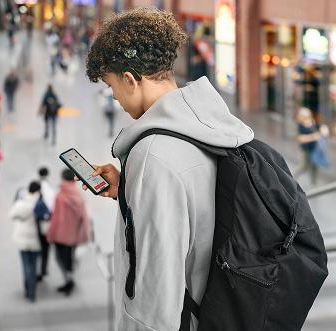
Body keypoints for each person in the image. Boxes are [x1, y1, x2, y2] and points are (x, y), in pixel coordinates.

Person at [84, 8, 253, 329]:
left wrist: (148, 181)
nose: (115, 97)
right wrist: (130, 190)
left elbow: (154, 298)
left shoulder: (154, 157)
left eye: (111, 85)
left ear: (131, 80)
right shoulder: (202, 122)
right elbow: (194, 199)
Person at [47, 169, 91, 296]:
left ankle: (68, 281)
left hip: (61, 236)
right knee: (69, 258)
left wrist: (50, 235)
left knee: (60, 258)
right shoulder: (79, 196)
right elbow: (84, 217)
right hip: (74, 236)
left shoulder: (60, 196)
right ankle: (70, 280)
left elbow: (56, 219)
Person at [8, 181, 42, 302]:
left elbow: (11, 215)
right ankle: (32, 292)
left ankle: (27, 289)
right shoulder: (39, 203)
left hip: (21, 238)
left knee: (26, 265)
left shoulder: (21, 203)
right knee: (33, 266)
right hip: (35, 240)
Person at [293, 107, 326, 186]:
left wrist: (324, 130)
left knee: (315, 166)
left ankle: (314, 183)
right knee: (304, 166)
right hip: (305, 149)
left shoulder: (312, 122)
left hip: (314, 148)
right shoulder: (300, 126)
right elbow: (301, 138)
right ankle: (292, 178)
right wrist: (313, 137)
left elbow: (321, 127)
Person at [37, 167, 55, 280]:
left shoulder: (37, 186)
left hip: (38, 224)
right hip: (47, 223)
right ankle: (43, 269)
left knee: (39, 248)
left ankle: (39, 270)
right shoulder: (49, 189)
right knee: (45, 249)